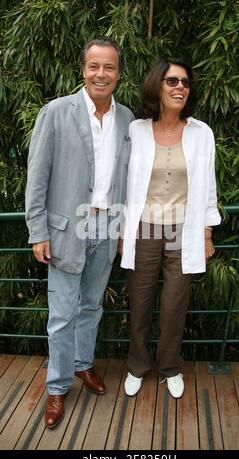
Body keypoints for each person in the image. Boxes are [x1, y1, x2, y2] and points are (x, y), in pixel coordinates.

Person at [25, 37, 134, 428]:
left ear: (118, 74)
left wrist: (121, 229)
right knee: (61, 314)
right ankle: (56, 387)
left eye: (109, 67)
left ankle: (83, 364)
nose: (100, 74)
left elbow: (126, 178)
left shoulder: (127, 118)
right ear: (83, 70)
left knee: (92, 305)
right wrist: (38, 232)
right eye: (94, 66)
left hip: (107, 226)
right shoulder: (56, 112)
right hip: (66, 229)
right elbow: (36, 178)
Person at [120, 58, 221, 399]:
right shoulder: (135, 130)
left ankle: (170, 367)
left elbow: (209, 186)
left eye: (186, 83)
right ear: (157, 86)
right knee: (140, 301)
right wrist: (122, 231)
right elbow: (124, 184)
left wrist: (207, 232)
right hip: (143, 229)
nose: (180, 87)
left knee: (175, 304)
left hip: (184, 231)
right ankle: (136, 366)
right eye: (172, 81)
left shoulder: (201, 133)